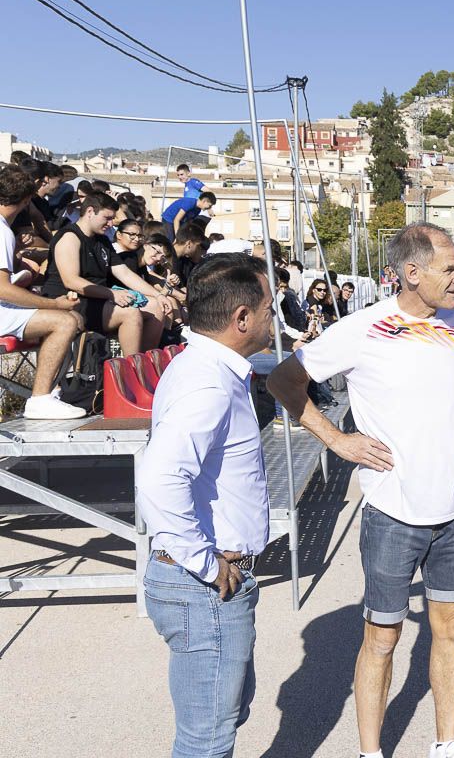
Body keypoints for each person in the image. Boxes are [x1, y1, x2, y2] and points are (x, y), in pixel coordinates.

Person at [268, 223, 454, 758]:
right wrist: (337, 440)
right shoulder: (363, 328)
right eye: (449, 268)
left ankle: (446, 744)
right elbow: (283, 381)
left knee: (452, 630)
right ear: (411, 273)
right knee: (383, 638)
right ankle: (370, 752)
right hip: (391, 510)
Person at [137, 253, 275, 758]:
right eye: (268, 307)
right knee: (207, 739)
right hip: (203, 585)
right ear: (241, 318)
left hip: (205, 582)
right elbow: (159, 477)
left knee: (224, 717)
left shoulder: (205, 367)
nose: (273, 318)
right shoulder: (209, 383)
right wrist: (204, 560)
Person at [0, 166, 87, 419]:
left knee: (70, 319)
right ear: (27, 200)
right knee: (65, 321)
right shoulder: (3, 230)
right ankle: (40, 399)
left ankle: (49, 393)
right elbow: (3, 289)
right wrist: (56, 305)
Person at [40, 192, 172, 354]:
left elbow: (124, 273)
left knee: (156, 307)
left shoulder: (101, 240)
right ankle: (131, 368)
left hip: (98, 299)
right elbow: (71, 281)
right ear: (90, 212)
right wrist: (111, 294)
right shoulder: (70, 237)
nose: (111, 223)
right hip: (71, 301)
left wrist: (158, 295)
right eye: (107, 218)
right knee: (130, 314)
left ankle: (146, 364)